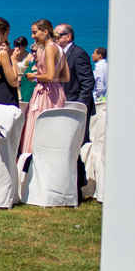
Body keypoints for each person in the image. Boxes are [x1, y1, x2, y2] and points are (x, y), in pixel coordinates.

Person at [56, 23, 96, 197]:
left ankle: (78, 186)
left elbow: (88, 82)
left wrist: (79, 106)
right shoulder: (59, 54)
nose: (55, 38)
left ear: (68, 37)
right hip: (63, 106)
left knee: (74, 147)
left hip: (74, 107)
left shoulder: (78, 54)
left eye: (58, 35)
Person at [21, 19, 70, 155]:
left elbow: (49, 76)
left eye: (35, 32)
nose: (32, 36)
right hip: (57, 91)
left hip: (45, 93)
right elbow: (65, 77)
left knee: (39, 127)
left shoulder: (49, 48)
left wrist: (35, 77)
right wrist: (51, 78)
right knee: (53, 129)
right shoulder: (60, 48)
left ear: (45, 32)